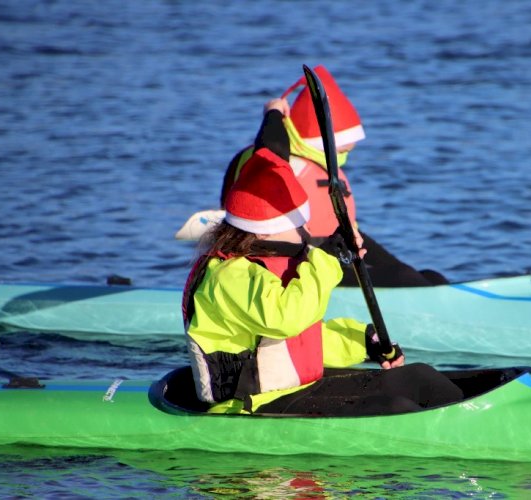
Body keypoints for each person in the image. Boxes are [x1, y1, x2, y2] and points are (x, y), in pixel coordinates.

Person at [182, 99, 463, 416]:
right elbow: (288, 319)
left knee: (418, 378)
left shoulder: (269, 265)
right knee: (394, 406)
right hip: (250, 405)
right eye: (298, 227)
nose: (305, 234)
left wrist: (361, 341)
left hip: (290, 389)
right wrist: (330, 257)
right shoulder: (228, 276)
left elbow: (304, 341)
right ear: (263, 233)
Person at [220, 65, 448, 288]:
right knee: (403, 277)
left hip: (332, 247)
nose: (344, 159)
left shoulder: (318, 163)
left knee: (430, 277)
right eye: (341, 153)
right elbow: (272, 146)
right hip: (295, 262)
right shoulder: (277, 163)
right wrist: (273, 112)